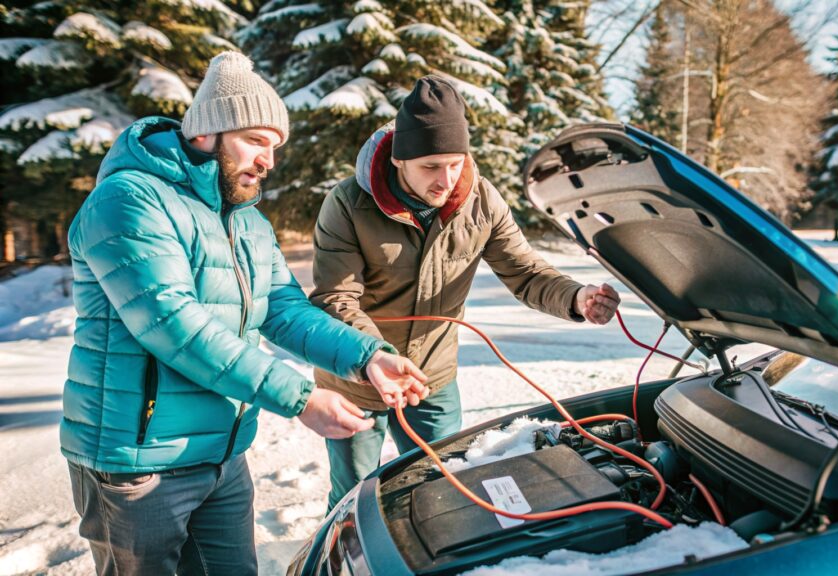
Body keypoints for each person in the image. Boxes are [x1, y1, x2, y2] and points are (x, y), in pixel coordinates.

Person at [60, 51, 427, 576]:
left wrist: (366, 355)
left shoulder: (246, 221)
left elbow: (282, 310)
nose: (269, 160)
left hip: (223, 454)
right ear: (208, 132)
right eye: (256, 140)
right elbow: (174, 325)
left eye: (275, 145)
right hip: (137, 463)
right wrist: (299, 397)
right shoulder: (127, 199)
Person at [311, 75, 621, 511]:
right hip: (356, 376)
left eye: (454, 162)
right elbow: (335, 300)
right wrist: (375, 358)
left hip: (432, 378)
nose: (445, 178)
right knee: (354, 495)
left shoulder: (481, 200)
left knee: (444, 485)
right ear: (400, 160)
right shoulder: (347, 204)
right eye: (430, 166)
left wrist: (575, 297)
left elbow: (525, 272)